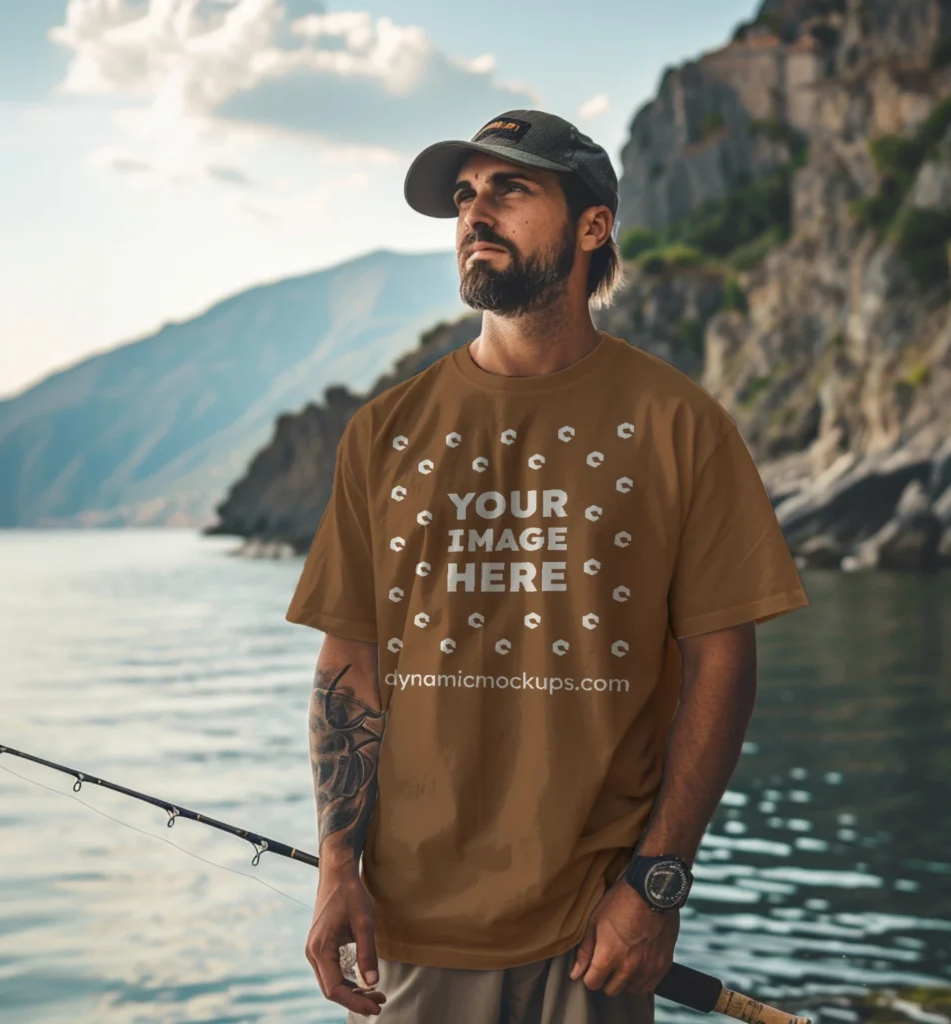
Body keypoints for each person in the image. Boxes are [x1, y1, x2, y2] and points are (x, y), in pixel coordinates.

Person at [285, 108, 810, 1023]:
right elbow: (350, 666)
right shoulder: (385, 432)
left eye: (510, 190)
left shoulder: (680, 424)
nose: (475, 214)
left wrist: (656, 886)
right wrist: (337, 869)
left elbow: (722, 662)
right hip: (417, 931)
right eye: (464, 196)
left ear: (592, 226)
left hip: (596, 931)